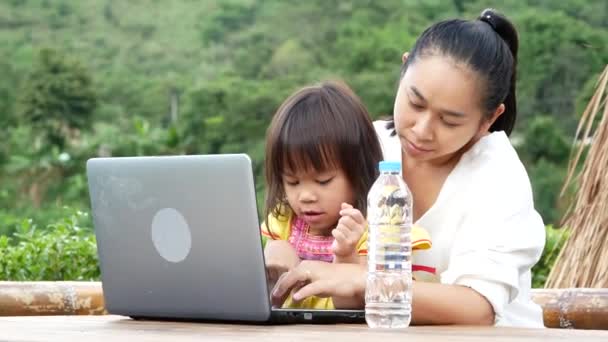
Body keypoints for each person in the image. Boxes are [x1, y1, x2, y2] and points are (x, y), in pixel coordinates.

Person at [270, 9, 546, 327]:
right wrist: (281, 250)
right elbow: (308, 222)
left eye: (449, 120)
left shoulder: (498, 178)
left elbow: (478, 308)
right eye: (415, 103)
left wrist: (364, 281)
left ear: (489, 119)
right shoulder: (365, 144)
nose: (422, 129)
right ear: (403, 70)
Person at [262, 80, 432, 310]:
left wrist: (346, 256)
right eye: (292, 181)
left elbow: (353, 303)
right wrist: (272, 251)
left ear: (358, 172)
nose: (306, 196)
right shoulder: (285, 222)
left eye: (323, 181)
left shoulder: (374, 232)